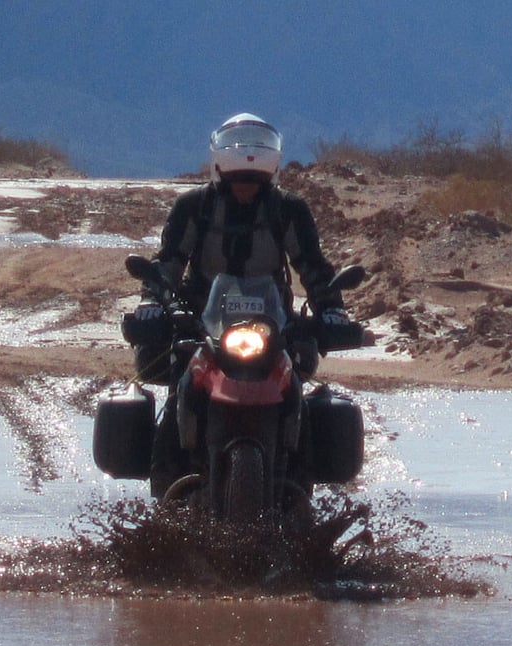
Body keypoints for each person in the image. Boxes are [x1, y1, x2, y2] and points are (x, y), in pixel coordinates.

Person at [130, 112, 355, 496]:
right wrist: (154, 301)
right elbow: (168, 262)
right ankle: (166, 499)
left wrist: (331, 309)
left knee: (296, 385)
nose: (245, 188)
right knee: (179, 386)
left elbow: (312, 266)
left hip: (273, 325)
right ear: (221, 172)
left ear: (270, 177)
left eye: (254, 181)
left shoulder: (288, 209)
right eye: (238, 180)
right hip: (203, 323)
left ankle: (302, 493)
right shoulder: (194, 207)